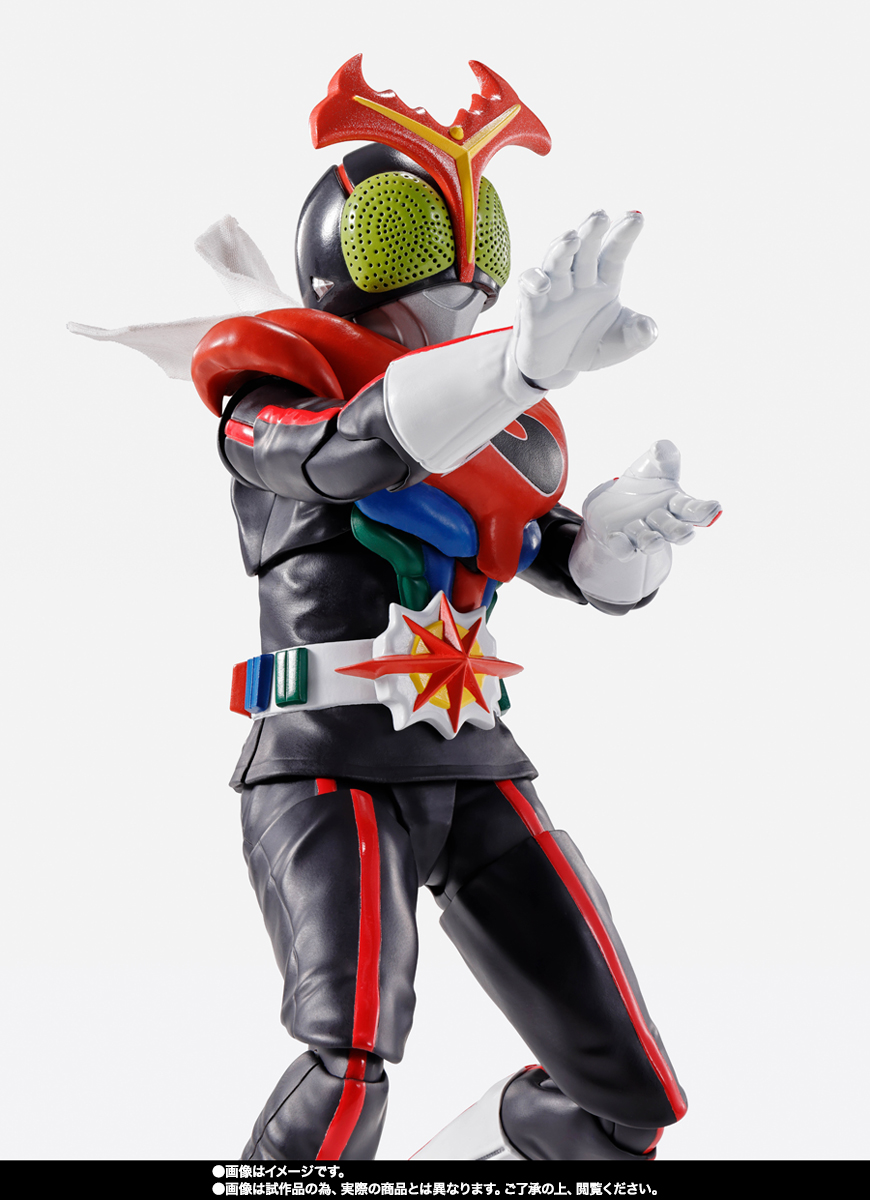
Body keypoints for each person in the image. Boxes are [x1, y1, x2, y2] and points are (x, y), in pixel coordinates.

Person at [74, 56, 720, 1162]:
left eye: (477, 238)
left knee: (626, 1102)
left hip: (473, 761)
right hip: (326, 757)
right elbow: (347, 453)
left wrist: (623, 541)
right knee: (346, 1065)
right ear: (347, 245)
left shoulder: (491, 434)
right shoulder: (270, 391)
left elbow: (563, 559)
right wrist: (514, 370)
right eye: (412, 232)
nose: (460, 268)